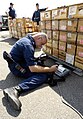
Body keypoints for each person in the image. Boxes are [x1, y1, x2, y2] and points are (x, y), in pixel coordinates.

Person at [3, 32, 58, 111]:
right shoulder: (28, 46)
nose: (41, 46)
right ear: (39, 38)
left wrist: (37, 60)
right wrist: (50, 69)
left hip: (17, 62)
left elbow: (27, 56)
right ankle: (16, 89)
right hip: (17, 68)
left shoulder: (26, 40)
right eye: (42, 44)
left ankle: (44, 69)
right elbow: (33, 68)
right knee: (43, 75)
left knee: (41, 66)